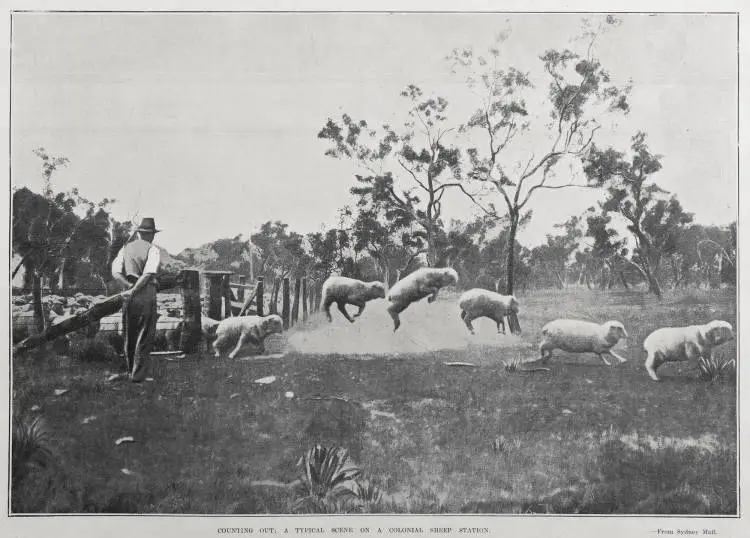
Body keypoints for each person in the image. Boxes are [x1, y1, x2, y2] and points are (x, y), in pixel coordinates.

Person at [109, 218, 162, 383]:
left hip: (128, 294)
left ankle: (129, 369)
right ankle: (138, 375)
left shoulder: (126, 248)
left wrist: (128, 288)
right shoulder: (153, 250)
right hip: (146, 293)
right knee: (145, 333)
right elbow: (148, 274)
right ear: (152, 235)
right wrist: (136, 290)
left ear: (139, 233)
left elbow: (115, 273)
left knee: (129, 332)